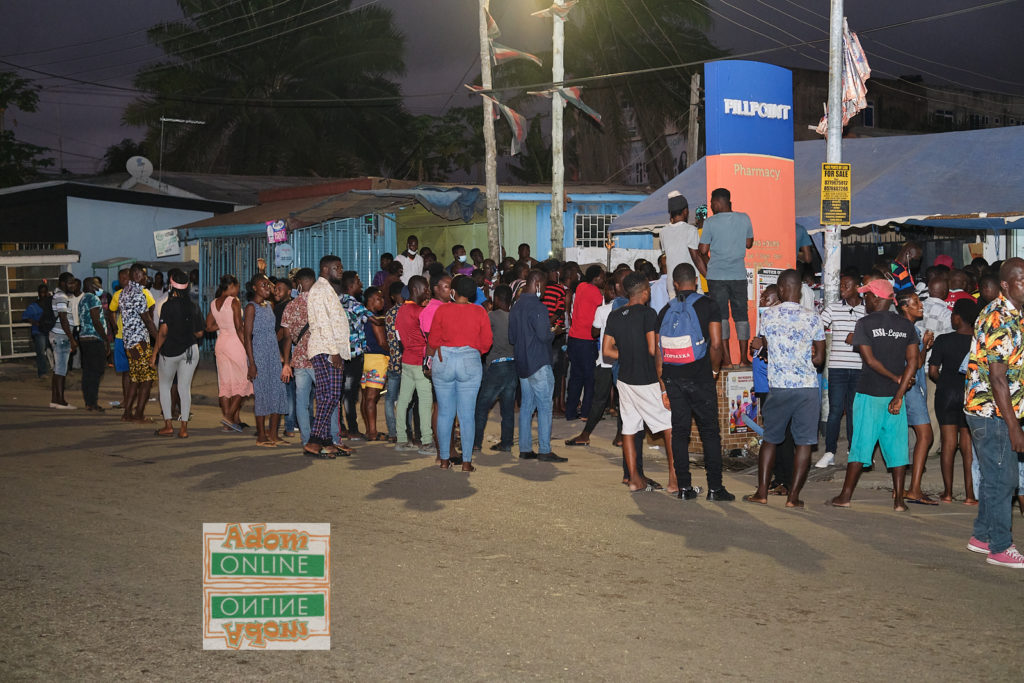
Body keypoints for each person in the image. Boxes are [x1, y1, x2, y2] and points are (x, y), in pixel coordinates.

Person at [830, 278, 917, 512]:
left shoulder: (865, 323)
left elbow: (870, 360)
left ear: (877, 298)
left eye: (867, 295)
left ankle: (845, 496)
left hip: (869, 392)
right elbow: (913, 362)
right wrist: (899, 390)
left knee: (860, 445)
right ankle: (899, 500)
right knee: (898, 448)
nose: (864, 299)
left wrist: (893, 378)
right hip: (895, 397)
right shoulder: (906, 325)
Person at [742, 270, 825, 508]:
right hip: (807, 388)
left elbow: (765, 348)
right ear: (799, 289)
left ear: (780, 289)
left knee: (770, 440)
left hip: (778, 386)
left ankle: (761, 493)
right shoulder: (813, 317)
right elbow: (819, 359)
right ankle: (793, 497)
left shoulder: (768, 316)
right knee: (804, 443)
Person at [963, 258, 1024, 567]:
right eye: (1021, 281)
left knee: (993, 476)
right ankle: (1000, 547)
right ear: (1005, 284)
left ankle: (982, 535)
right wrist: (1014, 426)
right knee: (1005, 479)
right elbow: (997, 377)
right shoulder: (999, 316)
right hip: (992, 411)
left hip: (994, 409)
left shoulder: (1016, 314)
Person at [658, 263, 732, 500]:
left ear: (676, 285)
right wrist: (713, 371)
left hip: (673, 377)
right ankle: (715, 488)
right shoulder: (709, 305)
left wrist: (664, 383)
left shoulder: (664, 310)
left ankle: (684, 488)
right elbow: (717, 344)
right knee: (709, 432)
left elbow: (658, 351)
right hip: (699, 377)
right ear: (697, 282)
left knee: (680, 433)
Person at [603, 273, 679, 493]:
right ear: (645, 291)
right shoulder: (648, 313)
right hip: (646, 379)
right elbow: (653, 349)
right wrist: (663, 384)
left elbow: (607, 351)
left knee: (629, 428)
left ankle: (634, 479)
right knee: (669, 425)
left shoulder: (615, 315)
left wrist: (626, 354)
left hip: (624, 380)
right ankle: (674, 478)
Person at [428, 275, 492, 471]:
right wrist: (473, 351)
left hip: (444, 360)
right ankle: (466, 462)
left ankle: (445, 460)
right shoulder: (480, 311)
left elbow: (433, 340)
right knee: (466, 415)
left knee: (445, 413)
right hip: (469, 361)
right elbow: (487, 342)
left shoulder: (442, 309)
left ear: (453, 292)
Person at [509, 269, 565, 462]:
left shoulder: (516, 306)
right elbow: (544, 336)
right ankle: (544, 449)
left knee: (526, 406)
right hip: (539, 362)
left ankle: (525, 448)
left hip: (523, 362)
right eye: (545, 287)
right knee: (544, 407)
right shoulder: (538, 307)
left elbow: (512, 337)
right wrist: (554, 332)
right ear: (538, 284)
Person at [930, 298, 978, 505]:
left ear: (957, 318)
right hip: (970, 395)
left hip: (947, 394)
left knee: (949, 443)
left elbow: (932, 371)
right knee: (967, 446)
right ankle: (969, 495)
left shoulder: (943, 340)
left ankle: (947, 493)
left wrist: (945, 382)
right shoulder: (979, 340)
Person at [697, 187, 754, 367]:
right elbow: (749, 243)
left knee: (721, 317)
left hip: (717, 277)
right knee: (741, 317)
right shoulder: (744, 218)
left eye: (712, 202)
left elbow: (703, 250)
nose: (712, 206)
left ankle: (727, 360)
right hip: (738, 275)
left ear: (717, 203)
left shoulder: (710, 223)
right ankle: (744, 359)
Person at [304, 255, 352, 458]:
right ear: (325, 269)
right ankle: (314, 441)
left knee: (327, 397)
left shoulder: (327, 289)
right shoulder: (319, 290)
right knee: (331, 396)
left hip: (329, 349)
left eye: (341, 268)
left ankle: (325, 441)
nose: (340, 271)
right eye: (337, 268)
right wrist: (335, 352)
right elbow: (323, 323)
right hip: (326, 349)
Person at [816, 272, 865, 468]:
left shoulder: (867, 309)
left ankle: (854, 450)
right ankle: (830, 452)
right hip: (837, 367)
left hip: (860, 368)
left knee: (854, 411)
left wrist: (859, 339)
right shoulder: (833, 308)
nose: (842, 289)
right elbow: (817, 327)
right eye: (841, 286)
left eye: (846, 285)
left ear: (857, 287)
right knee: (835, 410)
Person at [149, 269, 203, 438]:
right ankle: (184, 429)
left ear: (171, 283)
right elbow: (200, 333)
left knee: (165, 386)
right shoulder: (194, 305)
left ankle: (168, 426)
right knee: (184, 388)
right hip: (190, 350)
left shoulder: (168, 305)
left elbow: (163, 332)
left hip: (170, 352)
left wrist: (154, 354)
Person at [897, 290, 937, 505]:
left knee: (900, 436)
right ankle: (914, 489)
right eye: (915, 302)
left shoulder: (900, 328)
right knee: (926, 436)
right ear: (904, 307)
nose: (920, 305)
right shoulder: (911, 330)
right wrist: (925, 344)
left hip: (901, 385)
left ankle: (902, 487)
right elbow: (917, 364)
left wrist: (926, 345)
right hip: (910, 387)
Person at [243, 274, 290, 446]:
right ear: (254, 288)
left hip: (272, 352)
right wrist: (252, 363)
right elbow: (247, 337)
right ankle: (261, 436)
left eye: (268, 285)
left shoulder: (270, 305)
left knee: (278, 391)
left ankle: (274, 434)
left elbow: (275, 332)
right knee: (262, 394)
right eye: (263, 285)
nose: (267, 288)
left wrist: (281, 354)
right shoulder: (251, 307)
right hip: (259, 353)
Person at [205, 275, 253, 432]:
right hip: (234, 343)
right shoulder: (234, 301)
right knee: (244, 382)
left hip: (221, 344)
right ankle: (228, 417)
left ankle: (229, 423)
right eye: (237, 286)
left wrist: (223, 326)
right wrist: (247, 347)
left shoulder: (214, 302)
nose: (238, 290)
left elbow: (209, 326)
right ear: (231, 285)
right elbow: (240, 328)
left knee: (226, 384)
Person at [473, 285, 517, 454]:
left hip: (496, 366)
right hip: (513, 366)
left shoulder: (491, 316)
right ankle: (506, 443)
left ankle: (476, 443)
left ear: (497, 299)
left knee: (482, 406)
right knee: (507, 409)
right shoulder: (515, 317)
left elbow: (483, 338)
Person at [394, 276, 435, 456]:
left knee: (404, 400)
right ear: (416, 290)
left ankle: (401, 439)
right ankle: (426, 441)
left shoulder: (401, 310)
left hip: (407, 359)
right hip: (420, 360)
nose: (428, 292)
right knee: (425, 403)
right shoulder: (420, 312)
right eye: (425, 289)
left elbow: (398, 337)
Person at [118, 264, 160, 423]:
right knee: (147, 379)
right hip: (139, 341)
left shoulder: (124, 292)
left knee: (135, 378)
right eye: (144, 275)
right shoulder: (138, 294)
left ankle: (127, 413)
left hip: (128, 341)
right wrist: (159, 340)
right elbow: (148, 321)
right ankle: (139, 414)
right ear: (137, 275)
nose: (146, 278)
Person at [281, 268, 317, 446]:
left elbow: (287, 338)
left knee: (302, 402)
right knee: (327, 400)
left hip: (300, 360)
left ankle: (306, 440)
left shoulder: (291, 306)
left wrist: (287, 363)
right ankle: (331, 437)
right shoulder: (321, 303)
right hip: (320, 359)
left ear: (299, 284)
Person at [566, 265, 605, 421]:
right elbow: (602, 308)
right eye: (602, 277)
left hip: (574, 338)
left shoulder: (581, 286)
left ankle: (570, 412)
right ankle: (586, 413)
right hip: (586, 340)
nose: (604, 280)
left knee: (576, 377)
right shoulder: (594, 292)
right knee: (590, 378)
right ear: (596, 278)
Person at [339, 271, 374, 440]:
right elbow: (373, 319)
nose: (361, 285)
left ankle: (341, 427)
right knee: (350, 394)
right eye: (359, 282)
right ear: (351, 285)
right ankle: (353, 429)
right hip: (354, 355)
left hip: (340, 353)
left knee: (339, 393)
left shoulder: (337, 300)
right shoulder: (354, 304)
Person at [660, 191, 705, 298]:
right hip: (689, 284)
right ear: (686, 211)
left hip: (673, 285)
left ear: (670, 213)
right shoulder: (691, 230)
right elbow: (696, 257)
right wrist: (708, 276)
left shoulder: (663, 232)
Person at [359, 286, 389, 441]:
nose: (382, 301)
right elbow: (382, 342)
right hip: (377, 359)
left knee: (365, 396)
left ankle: (368, 429)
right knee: (372, 397)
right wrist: (392, 352)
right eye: (379, 298)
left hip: (364, 358)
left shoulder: (361, 315)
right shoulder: (374, 319)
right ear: (370, 300)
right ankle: (372, 431)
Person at [383, 280, 410, 444]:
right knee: (406, 399)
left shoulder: (389, 314)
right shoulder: (410, 312)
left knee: (390, 399)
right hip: (408, 362)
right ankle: (405, 430)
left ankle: (393, 432)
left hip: (394, 362)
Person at [77, 277, 109, 412]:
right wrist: (106, 339)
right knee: (96, 372)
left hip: (84, 338)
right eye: (98, 284)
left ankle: (89, 402)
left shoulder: (83, 298)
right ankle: (93, 402)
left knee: (88, 372)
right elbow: (96, 321)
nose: (100, 286)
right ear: (91, 285)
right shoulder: (93, 299)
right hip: (94, 339)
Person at [48, 272, 78, 409]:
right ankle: (60, 401)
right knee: (61, 370)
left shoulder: (62, 295)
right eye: (70, 283)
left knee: (57, 369)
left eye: (74, 283)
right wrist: (71, 339)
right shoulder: (61, 296)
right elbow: (63, 318)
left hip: (59, 335)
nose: (73, 285)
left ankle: (55, 399)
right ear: (62, 283)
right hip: (61, 337)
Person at [23, 284, 52, 379]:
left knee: (56, 351)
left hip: (50, 330)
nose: (43, 294)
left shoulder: (50, 304)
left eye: (45, 292)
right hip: (39, 331)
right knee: (40, 352)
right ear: (38, 293)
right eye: (41, 292)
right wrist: (35, 322)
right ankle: (42, 372)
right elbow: (25, 317)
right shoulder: (33, 306)